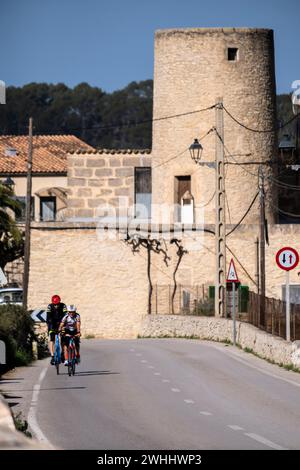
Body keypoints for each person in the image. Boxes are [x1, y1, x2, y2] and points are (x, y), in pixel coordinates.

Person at [46, 295, 67, 365]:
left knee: (63, 339)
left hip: (61, 323)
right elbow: (48, 318)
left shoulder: (63, 305)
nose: (56, 306)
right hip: (52, 324)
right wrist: (50, 327)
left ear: (59, 302)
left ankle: (63, 354)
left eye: (57, 304)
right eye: (55, 304)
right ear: (52, 303)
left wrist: (64, 326)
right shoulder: (49, 306)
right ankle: (52, 356)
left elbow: (65, 316)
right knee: (52, 339)